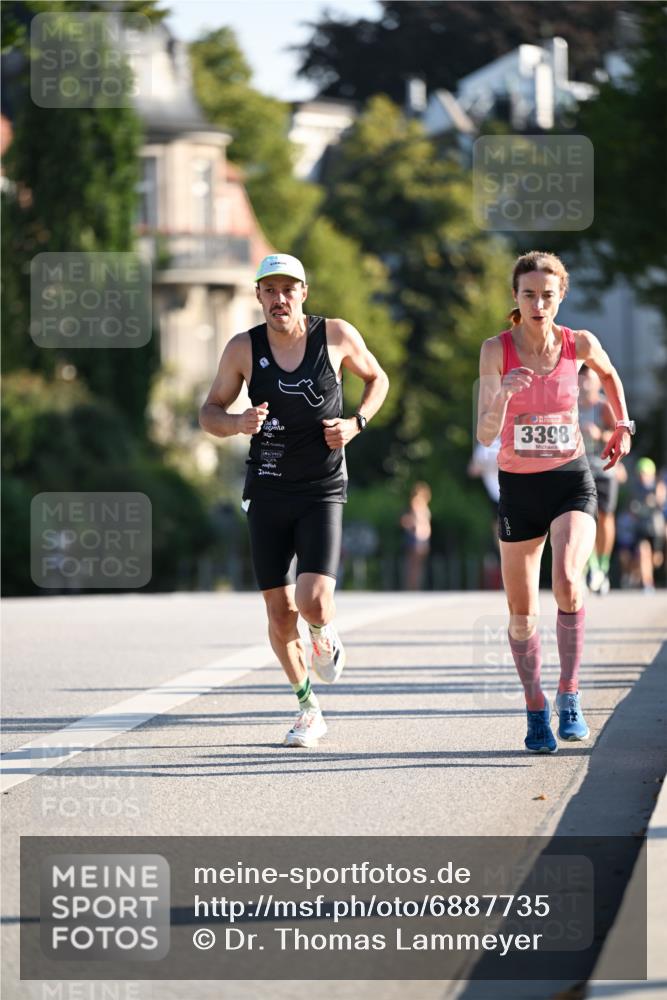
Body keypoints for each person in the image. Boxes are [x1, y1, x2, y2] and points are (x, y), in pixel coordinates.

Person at [199, 253, 389, 747]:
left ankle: (325, 633)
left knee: (313, 600)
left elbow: (378, 379)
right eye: (270, 290)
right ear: (258, 295)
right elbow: (209, 412)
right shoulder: (244, 348)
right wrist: (237, 423)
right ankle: (308, 708)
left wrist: (356, 423)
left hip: (323, 487)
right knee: (280, 612)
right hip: (266, 488)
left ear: (303, 292)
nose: (279, 299)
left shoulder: (337, 335)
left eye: (288, 289)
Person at [477, 251, 634, 753]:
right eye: (529, 295)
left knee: (568, 579)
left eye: (548, 295)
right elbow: (484, 433)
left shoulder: (578, 343)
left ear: (560, 296)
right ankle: (535, 706)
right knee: (522, 615)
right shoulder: (495, 350)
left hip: (569, 478)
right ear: (516, 299)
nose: (538, 304)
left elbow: (609, 376)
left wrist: (622, 423)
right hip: (518, 489)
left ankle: (569, 692)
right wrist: (502, 395)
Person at [577, 365, 622, 594]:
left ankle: (602, 567)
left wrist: (600, 434)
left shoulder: (603, 407)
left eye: (588, 380)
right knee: (583, 519)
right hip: (579, 470)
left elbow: (620, 437)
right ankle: (590, 567)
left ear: (597, 383)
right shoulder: (569, 406)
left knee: (605, 518)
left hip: (604, 469)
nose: (583, 384)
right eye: (580, 379)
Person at [400, 481, 432, 590]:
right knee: (414, 565)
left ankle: (415, 587)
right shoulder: (416, 504)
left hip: (422, 538)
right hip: (417, 538)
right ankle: (412, 587)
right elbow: (411, 521)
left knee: (418, 565)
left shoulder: (423, 505)